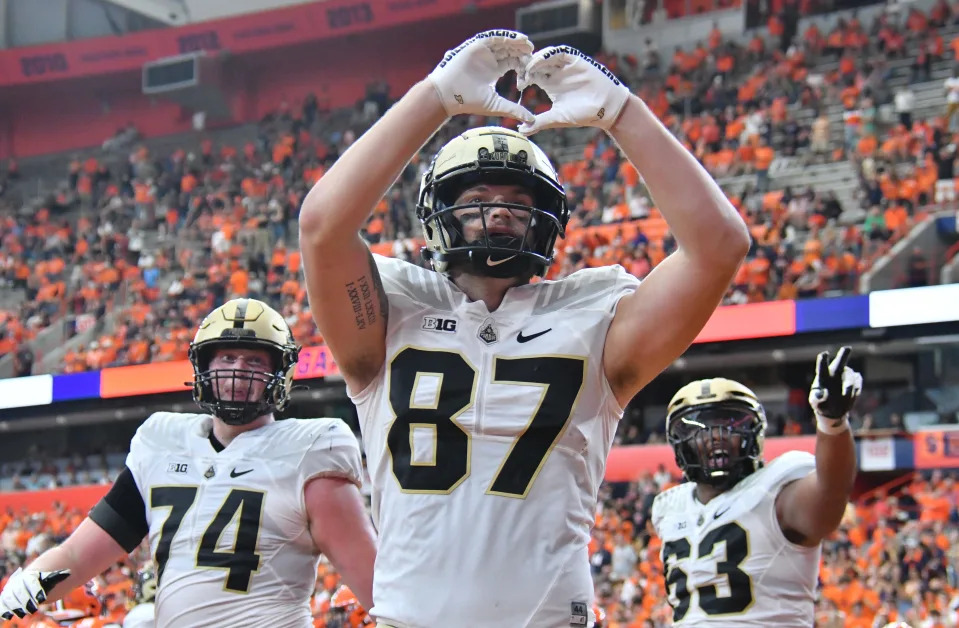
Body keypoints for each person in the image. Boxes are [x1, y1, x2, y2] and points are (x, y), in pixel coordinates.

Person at [298, 30, 750, 627]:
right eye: (478, 195)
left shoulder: (594, 315)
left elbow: (721, 246)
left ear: (548, 220)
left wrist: (622, 114)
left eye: (517, 198)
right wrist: (435, 96)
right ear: (440, 214)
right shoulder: (392, 310)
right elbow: (323, 226)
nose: (502, 209)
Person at [0, 299, 376, 627]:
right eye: (227, 357)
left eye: (254, 360)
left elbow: (372, 579)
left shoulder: (311, 447)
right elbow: (78, 555)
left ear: (280, 374)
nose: (238, 370)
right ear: (203, 367)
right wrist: (24, 584)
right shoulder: (161, 442)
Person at [651, 347, 863, 625]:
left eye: (728, 424)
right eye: (698, 429)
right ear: (680, 445)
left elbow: (831, 492)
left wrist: (832, 423)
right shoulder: (669, 507)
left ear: (755, 435)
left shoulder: (777, 489)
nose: (715, 437)